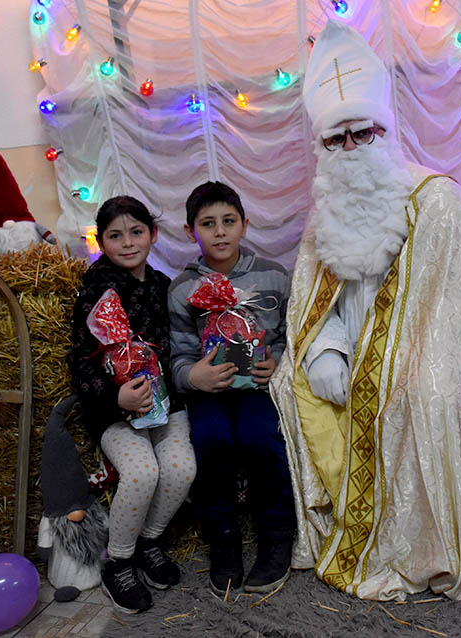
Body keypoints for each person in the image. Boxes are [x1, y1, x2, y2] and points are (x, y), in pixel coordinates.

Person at [269, 20, 461, 602]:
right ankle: (346, 524)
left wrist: (395, 367)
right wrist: (328, 352)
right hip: (356, 349)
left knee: (422, 397)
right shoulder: (325, 215)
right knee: (293, 383)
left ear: (384, 132)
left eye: (361, 135)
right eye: (335, 141)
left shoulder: (438, 201)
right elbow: (314, 304)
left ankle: (427, 544)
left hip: (432, 355)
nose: (349, 150)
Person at [68, 196, 197, 614]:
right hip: (115, 411)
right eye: (115, 235)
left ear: (153, 234)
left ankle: (149, 540)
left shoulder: (164, 287)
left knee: (181, 469)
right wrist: (115, 395)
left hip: (166, 403)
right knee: (143, 471)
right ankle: (118, 560)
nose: (127, 243)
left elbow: (181, 343)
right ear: (102, 241)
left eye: (136, 232)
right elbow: (79, 362)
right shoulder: (95, 293)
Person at [168, 181, 296, 597]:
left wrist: (275, 363)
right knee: (211, 439)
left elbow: (291, 337)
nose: (219, 232)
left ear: (245, 224)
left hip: (258, 389)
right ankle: (223, 539)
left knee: (262, 439)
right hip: (210, 393)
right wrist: (193, 377)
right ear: (191, 232)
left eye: (228, 221)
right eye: (207, 224)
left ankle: (276, 535)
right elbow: (178, 355)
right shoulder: (183, 288)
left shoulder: (274, 276)